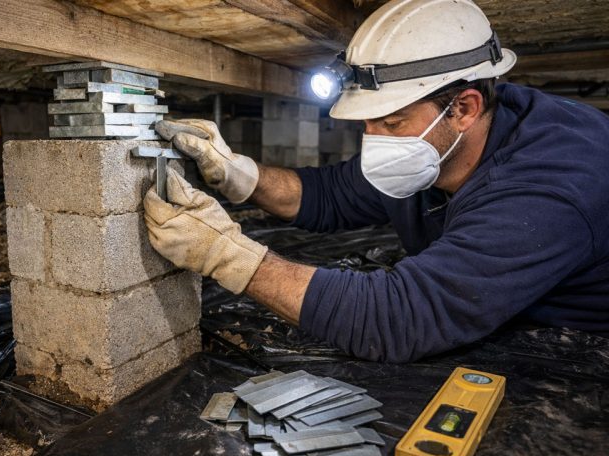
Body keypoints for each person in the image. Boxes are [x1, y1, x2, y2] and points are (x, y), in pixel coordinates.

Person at [143, 0, 609, 363]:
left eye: (391, 123)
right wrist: (236, 173)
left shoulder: (553, 184)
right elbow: (329, 196)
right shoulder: (437, 145)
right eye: (367, 124)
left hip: (570, 354)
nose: (375, 140)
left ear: (463, 108)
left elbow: (400, 319)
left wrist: (227, 255)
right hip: (496, 315)